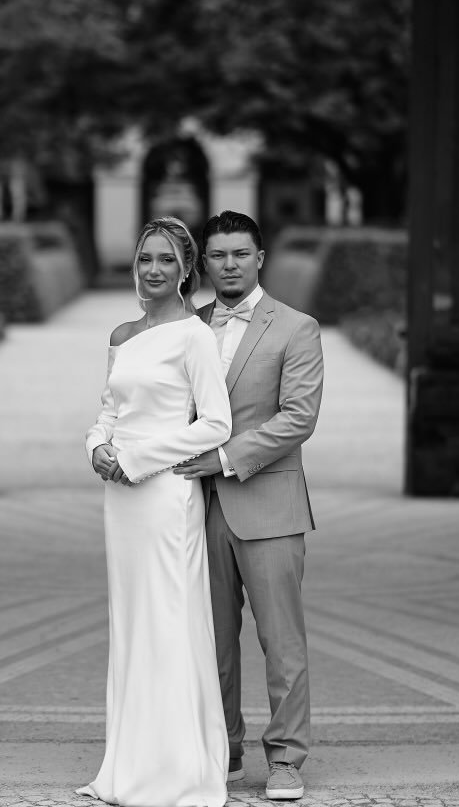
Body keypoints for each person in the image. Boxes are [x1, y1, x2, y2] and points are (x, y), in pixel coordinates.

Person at [78, 216, 232, 807]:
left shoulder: (196, 336)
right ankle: (127, 764)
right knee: (130, 623)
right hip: (121, 500)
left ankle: (176, 769)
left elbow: (215, 424)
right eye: (145, 258)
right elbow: (108, 411)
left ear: (187, 270)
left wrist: (138, 459)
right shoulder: (122, 335)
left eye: (167, 260)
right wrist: (97, 446)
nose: (153, 269)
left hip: (166, 494)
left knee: (169, 621)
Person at [174, 210, 324, 802]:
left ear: (260, 259)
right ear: (203, 264)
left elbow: (298, 418)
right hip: (195, 507)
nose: (230, 265)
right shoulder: (185, 327)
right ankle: (224, 750)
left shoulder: (296, 328)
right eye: (218, 255)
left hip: (269, 504)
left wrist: (225, 458)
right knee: (210, 642)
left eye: (241, 254)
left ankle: (286, 759)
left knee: (281, 643)